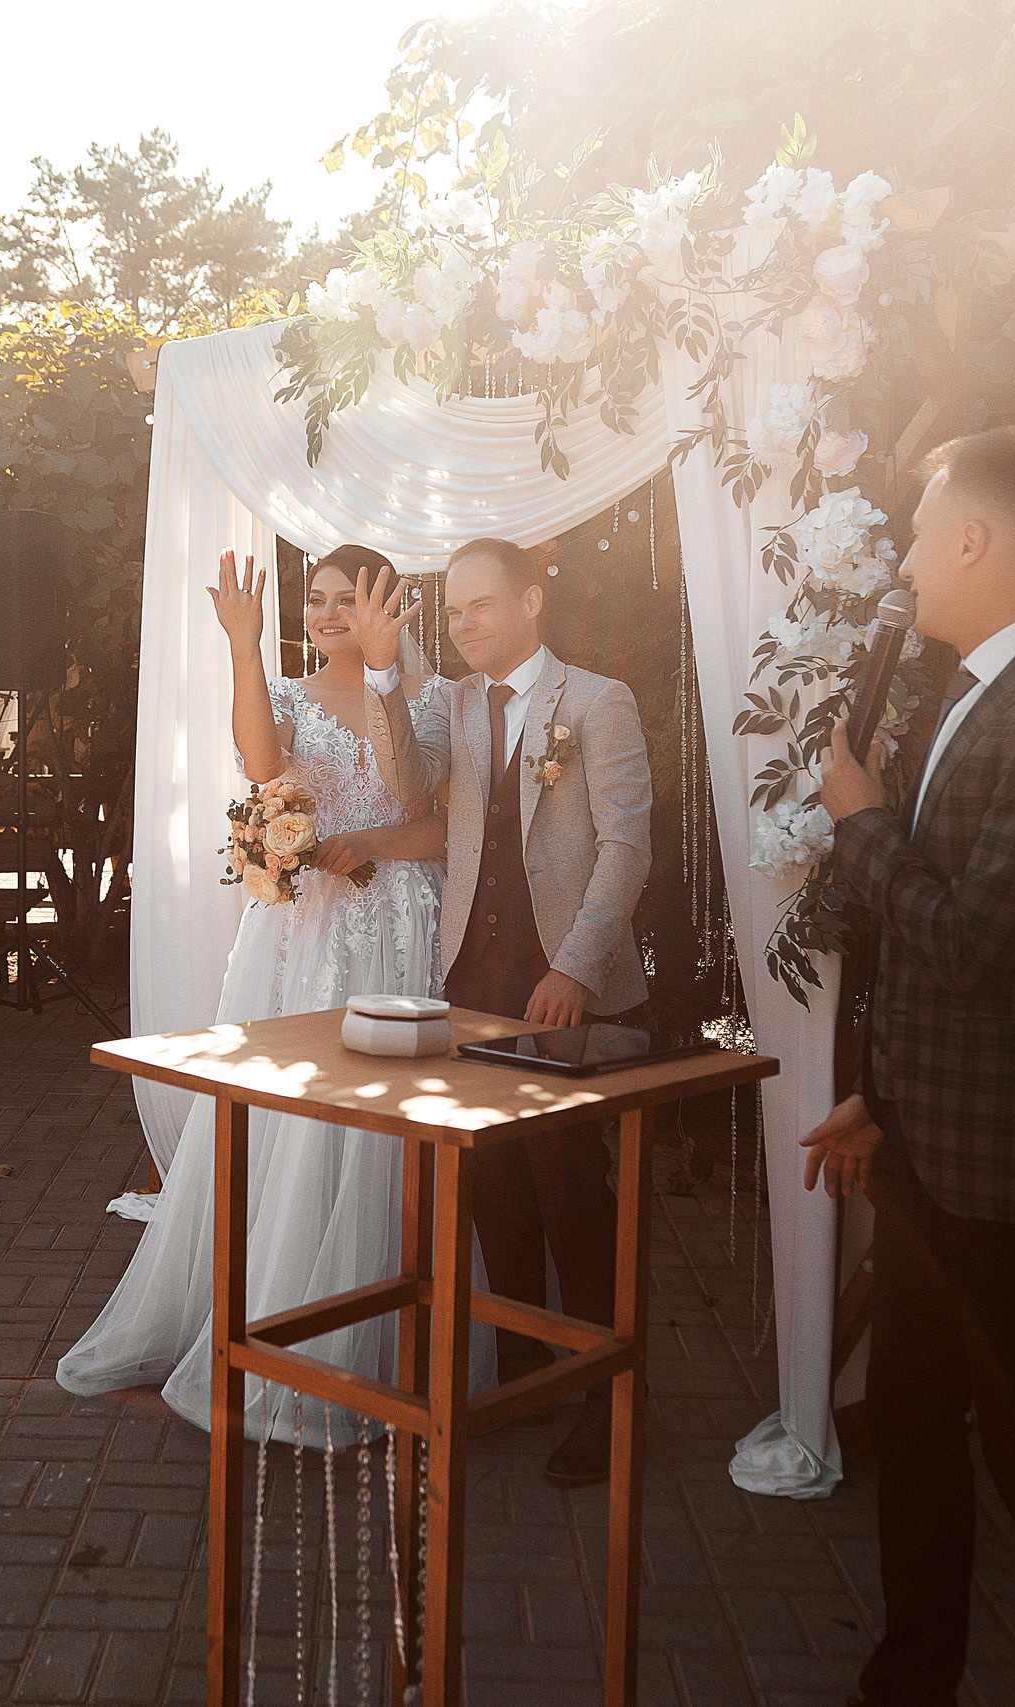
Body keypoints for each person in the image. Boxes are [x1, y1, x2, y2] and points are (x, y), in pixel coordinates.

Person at [800, 426, 1015, 1707]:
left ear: (972, 540)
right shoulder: (972, 690)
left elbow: (975, 940)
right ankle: (911, 1681)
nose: (901, 555)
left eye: (914, 529)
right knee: (910, 1425)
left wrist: (861, 825)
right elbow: (936, 942)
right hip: (933, 1151)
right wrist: (876, 1097)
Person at [55, 544, 486, 1440]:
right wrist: (246, 648)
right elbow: (262, 768)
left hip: (400, 919)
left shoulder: (437, 696)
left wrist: (382, 678)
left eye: (351, 599)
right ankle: (276, 1316)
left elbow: (422, 801)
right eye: (320, 599)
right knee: (292, 1109)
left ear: (393, 606)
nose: (330, 612)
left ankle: (373, 1331)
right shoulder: (287, 689)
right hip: (305, 929)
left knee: (387, 1109)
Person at [367, 536, 652, 1487]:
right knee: (494, 1185)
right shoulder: (453, 701)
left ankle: (608, 1398)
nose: (462, 624)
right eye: (452, 612)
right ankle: (524, 1371)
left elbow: (625, 851)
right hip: (474, 982)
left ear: (532, 599)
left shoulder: (599, 701)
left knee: (571, 1184)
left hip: (560, 987)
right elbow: (412, 790)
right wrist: (383, 678)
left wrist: (575, 964)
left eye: (480, 605)